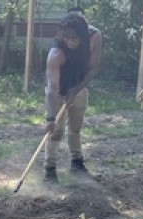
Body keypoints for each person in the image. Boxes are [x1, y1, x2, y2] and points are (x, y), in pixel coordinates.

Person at [43, 9, 102, 181]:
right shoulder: (56, 53)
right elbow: (52, 88)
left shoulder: (94, 36)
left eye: (74, 39)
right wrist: (50, 117)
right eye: (66, 38)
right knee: (56, 131)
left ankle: (77, 163)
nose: (69, 42)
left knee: (75, 128)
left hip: (79, 87)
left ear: (83, 36)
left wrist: (76, 89)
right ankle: (50, 169)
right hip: (58, 91)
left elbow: (93, 68)